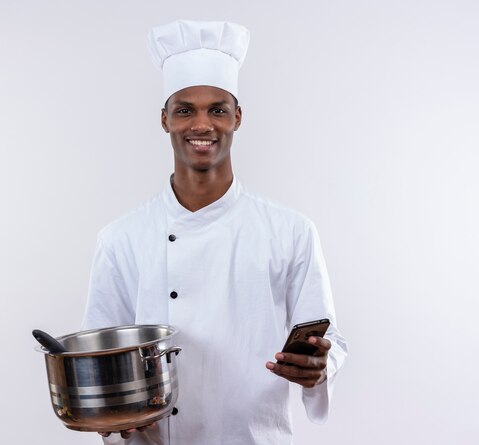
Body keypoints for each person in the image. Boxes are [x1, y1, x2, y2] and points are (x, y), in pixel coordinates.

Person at [81, 20, 348, 445]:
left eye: (217, 109)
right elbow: (97, 363)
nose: (201, 124)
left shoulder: (290, 231)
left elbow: (327, 340)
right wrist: (113, 415)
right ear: (164, 119)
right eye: (185, 109)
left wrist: (319, 368)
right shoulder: (120, 239)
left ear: (237, 117)